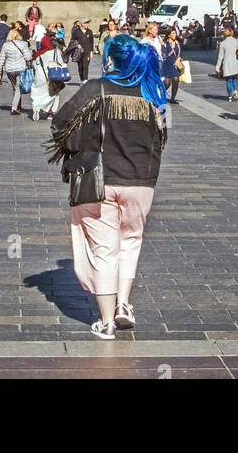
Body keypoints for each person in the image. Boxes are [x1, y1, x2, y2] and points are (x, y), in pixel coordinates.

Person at [47, 33, 168, 340]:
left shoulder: (95, 89)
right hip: (141, 182)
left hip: (98, 180)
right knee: (130, 243)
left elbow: (61, 123)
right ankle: (124, 305)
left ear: (111, 59)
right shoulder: (150, 92)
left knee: (104, 251)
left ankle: (106, 321)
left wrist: (81, 143)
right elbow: (161, 138)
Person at [29, 27, 65, 122]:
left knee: (38, 93)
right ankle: (51, 112)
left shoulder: (38, 54)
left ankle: (37, 108)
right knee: (54, 93)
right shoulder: (56, 52)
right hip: (53, 75)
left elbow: (34, 65)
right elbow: (61, 63)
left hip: (40, 77)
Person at [0, 28, 33, 116]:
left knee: (15, 87)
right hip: (20, 68)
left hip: (9, 69)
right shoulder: (23, 44)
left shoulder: (5, 45)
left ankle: (18, 106)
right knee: (17, 88)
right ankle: (14, 108)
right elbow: (28, 58)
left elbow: (1, 59)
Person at [215, 27, 238, 100]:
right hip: (236, 62)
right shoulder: (237, 41)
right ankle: (235, 90)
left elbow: (220, 57)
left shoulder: (223, 43)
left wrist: (217, 67)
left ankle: (229, 96)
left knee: (229, 80)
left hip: (227, 64)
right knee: (235, 79)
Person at [160, 27, 182, 103]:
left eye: (175, 33)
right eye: (173, 33)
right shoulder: (165, 43)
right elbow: (163, 54)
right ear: (169, 35)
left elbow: (180, 53)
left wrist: (178, 59)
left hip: (175, 65)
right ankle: (159, 93)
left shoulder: (177, 43)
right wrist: (163, 46)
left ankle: (173, 98)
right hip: (167, 64)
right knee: (167, 83)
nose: (174, 35)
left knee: (176, 80)